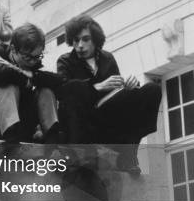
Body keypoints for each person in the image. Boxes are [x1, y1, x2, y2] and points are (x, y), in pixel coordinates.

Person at [57, 14, 162, 173]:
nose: (79, 45)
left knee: (152, 90)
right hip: (84, 122)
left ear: (95, 39)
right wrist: (96, 87)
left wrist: (130, 86)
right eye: (75, 40)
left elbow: (117, 93)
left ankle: (128, 154)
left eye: (85, 39)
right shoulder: (65, 61)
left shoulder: (108, 58)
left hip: (109, 120)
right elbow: (64, 91)